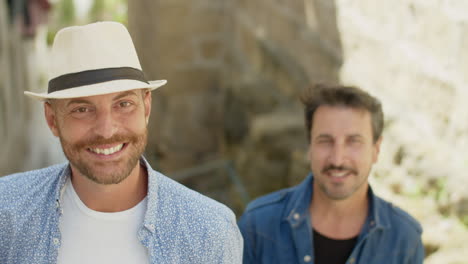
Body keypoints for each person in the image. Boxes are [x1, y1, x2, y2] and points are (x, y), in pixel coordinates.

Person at [0, 21, 242, 264]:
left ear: (146, 107)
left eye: (123, 104)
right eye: (82, 109)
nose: (106, 131)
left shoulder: (210, 233)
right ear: (52, 119)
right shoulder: (7, 211)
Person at [238, 84, 424, 264]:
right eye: (325, 141)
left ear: (376, 149)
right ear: (310, 147)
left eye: (353, 141)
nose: (337, 159)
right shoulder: (258, 225)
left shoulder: (405, 239)